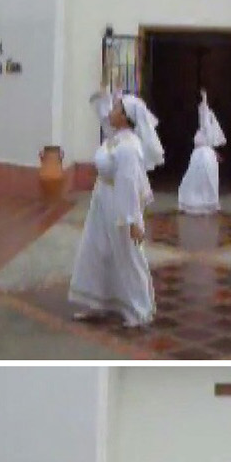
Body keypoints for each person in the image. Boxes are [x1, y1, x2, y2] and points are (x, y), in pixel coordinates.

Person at [68, 91, 155, 327]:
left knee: (127, 255)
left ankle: (138, 309)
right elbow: (104, 117)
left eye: (116, 108)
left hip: (119, 205)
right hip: (103, 201)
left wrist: (130, 220)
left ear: (126, 117)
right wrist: (107, 92)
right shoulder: (116, 138)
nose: (111, 111)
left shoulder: (128, 147)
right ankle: (99, 302)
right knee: (98, 250)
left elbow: (128, 183)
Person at [178, 92, 226, 215]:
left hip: (203, 157)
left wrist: (204, 101)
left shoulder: (207, 128)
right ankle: (198, 202)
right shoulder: (203, 131)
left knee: (203, 180)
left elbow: (204, 116)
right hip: (201, 155)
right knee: (196, 180)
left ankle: (203, 203)